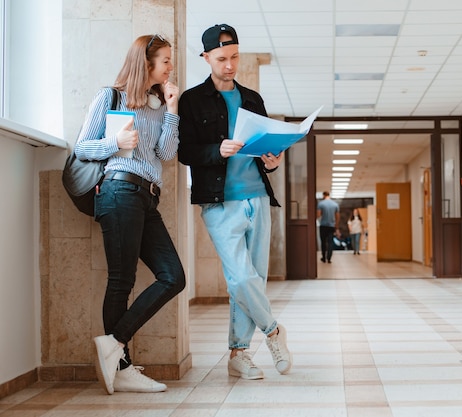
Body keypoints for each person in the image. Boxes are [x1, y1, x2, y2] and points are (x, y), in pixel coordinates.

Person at [177, 24, 292, 380]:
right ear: (206, 57)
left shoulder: (252, 98)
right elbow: (184, 152)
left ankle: (238, 353)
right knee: (241, 278)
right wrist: (217, 150)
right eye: (223, 58)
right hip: (219, 202)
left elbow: (263, 147)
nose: (230, 65)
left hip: (257, 196)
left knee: (254, 277)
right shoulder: (191, 101)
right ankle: (273, 331)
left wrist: (272, 160)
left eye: (235, 57)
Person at [74, 34, 185, 395]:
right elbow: (82, 146)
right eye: (165, 60)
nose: (171, 66)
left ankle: (114, 343)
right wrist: (115, 144)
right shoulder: (111, 97)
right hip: (119, 189)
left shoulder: (157, 107)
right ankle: (120, 368)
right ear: (146, 62)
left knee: (173, 276)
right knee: (121, 280)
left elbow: (167, 153)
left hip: (147, 197)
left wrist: (171, 110)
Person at [317, 191, 340, 263]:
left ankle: (324, 257)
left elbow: (318, 215)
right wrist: (336, 225)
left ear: (323, 195)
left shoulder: (321, 204)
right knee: (330, 242)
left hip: (323, 225)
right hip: (331, 226)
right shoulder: (335, 204)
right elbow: (337, 216)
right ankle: (329, 258)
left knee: (323, 242)